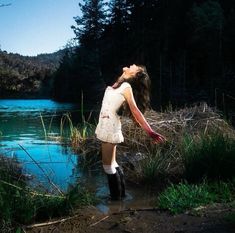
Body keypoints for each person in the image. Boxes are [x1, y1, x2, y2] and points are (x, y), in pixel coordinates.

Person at [95, 64, 165, 200]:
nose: (132, 65)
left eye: (135, 67)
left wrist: (150, 131)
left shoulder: (126, 87)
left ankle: (115, 200)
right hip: (106, 125)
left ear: (135, 74)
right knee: (113, 164)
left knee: (107, 167)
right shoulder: (118, 84)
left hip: (110, 127)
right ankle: (122, 197)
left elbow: (136, 112)